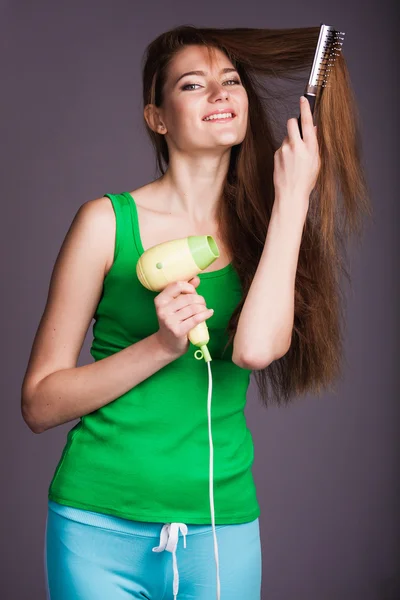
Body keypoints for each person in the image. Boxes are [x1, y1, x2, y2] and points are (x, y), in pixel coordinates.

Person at [21, 25, 370, 600]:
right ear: (157, 117)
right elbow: (39, 403)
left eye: (231, 81)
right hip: (95, 526)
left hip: (219, 529)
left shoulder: (271, 232)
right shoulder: (105, 225)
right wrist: (160, 346)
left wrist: (293, 200)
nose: (219, 93)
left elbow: (255, 350)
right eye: (193, 84)